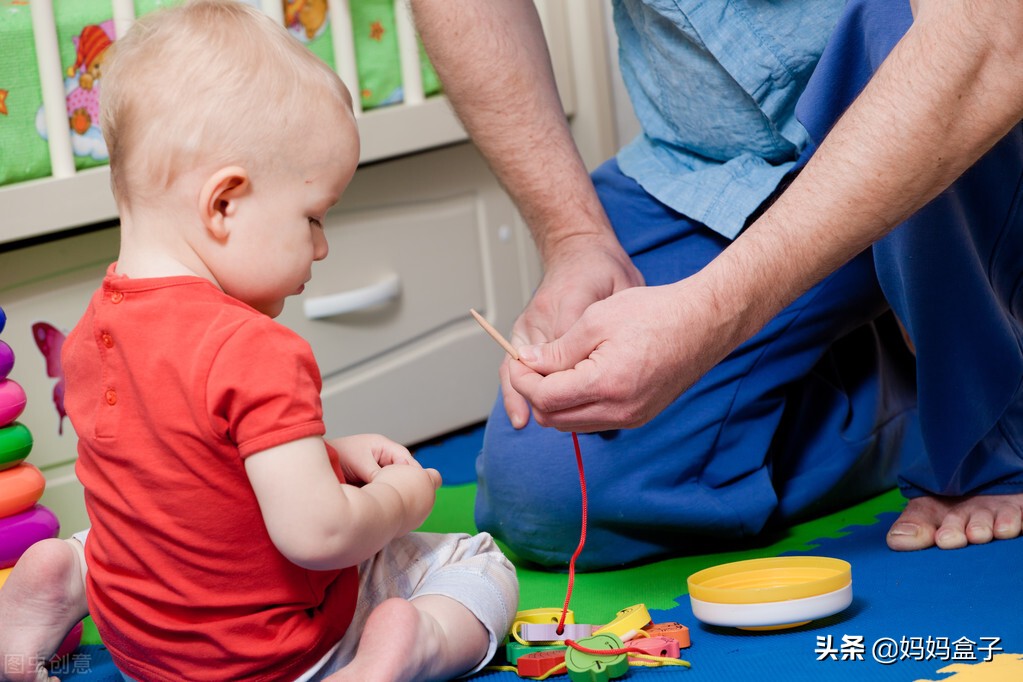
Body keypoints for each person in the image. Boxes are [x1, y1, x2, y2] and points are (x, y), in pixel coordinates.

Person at [0, 2, 517, 681]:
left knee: (141, 522)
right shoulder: (253, 347)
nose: (322, 246)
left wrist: (326, 457)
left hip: (147, 650)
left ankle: (72, 572)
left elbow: (196, 468)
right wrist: (400, 501)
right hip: (273, 655)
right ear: (224, 205)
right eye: (312, 217)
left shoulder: (94, 328)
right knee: (476, 564)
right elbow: (320, 536)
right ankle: (402, 652)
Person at [410, 0, 1023, 569]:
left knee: (899, 25)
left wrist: (711, 315)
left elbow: (991, 32)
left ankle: (989, 408)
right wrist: (574, 237)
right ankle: (917, 377)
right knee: (549, 495)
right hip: (711, 172)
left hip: (961, 117)